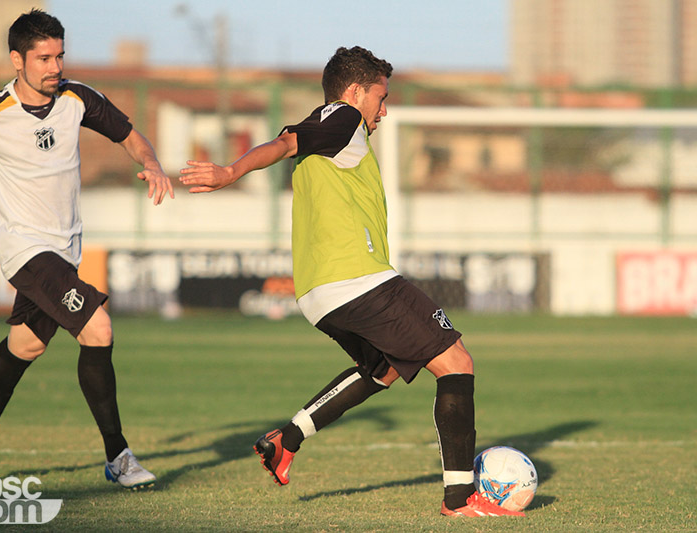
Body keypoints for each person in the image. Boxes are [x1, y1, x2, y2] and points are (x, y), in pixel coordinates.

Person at [180, 46, 524, 517]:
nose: (384, 111)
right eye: (381, 98)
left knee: (384, 369)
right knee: (456, 363)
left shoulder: (329, 129)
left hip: (319, 293)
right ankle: (460, 499)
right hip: (358, 279)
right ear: (356, 91)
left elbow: (288, 140)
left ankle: (287, 439)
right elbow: (285, 144)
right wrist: (230, 171)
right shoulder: (343, 117)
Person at [0, 9, 173, 489]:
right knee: (98, 329)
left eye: (60, 55)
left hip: (65, 250)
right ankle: (118, 457)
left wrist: (154, 164)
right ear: (17, 60)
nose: (55, 66)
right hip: (25, 250)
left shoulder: (78, 98)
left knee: (27, 344)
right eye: (44, 58)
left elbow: (130, 137)